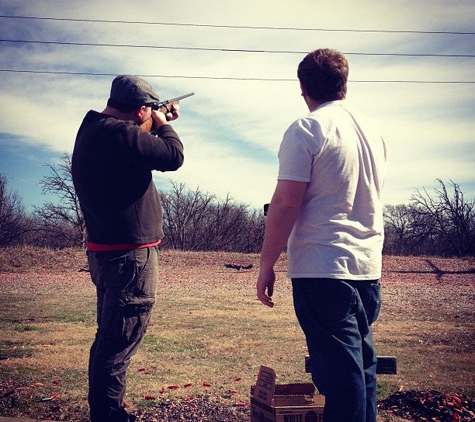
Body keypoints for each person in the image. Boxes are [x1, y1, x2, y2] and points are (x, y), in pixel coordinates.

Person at [256, 49, 387, 422]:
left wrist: (267, 263)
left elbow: (285, 203)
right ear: (344, 83)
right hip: (366, 267)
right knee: (361, 371)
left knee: (341, 379)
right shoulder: (372, 131)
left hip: (323, 268)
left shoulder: (308, 128)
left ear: (303, 88)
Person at [72, 75, 185, 422]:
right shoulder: (118, 134)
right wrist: (164, 124)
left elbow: (131, 150)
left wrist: (152, 123)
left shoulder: (96, 131)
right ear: (140, 111)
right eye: (149, 110)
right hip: (129, 258)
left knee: (109, 340)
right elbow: (173, 156)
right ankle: (109, 416)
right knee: (118, 344)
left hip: (109, 254)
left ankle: (107, 413)